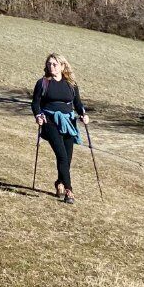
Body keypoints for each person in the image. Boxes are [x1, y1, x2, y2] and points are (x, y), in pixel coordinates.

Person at [32, 53, 90, 204]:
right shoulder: (43, 83)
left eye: (55, 64)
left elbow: (78, 103)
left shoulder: (71, 84)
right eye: (49, 64)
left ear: (63, 66)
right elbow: (35, 103)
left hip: (68, 122)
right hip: (50, 122)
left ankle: (60, 183)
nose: (51, 67)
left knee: (67, 159)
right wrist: (38, 115)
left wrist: (83, 114)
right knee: (62, 155)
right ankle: (69, 191)